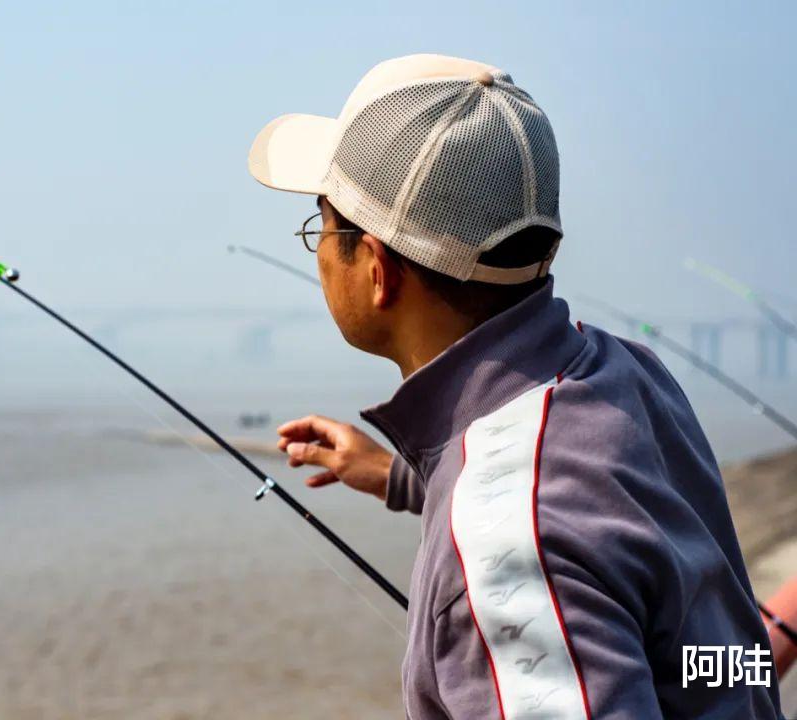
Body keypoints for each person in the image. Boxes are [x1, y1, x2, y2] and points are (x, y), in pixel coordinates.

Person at [247, 54, 784, 719]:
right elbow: (595, 524)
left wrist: (477, 516)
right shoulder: (629, 377)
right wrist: (399, 475)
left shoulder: (505, 555)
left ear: (379, 271)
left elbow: (531, 535)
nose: (322, 250)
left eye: (323, 224)